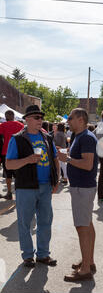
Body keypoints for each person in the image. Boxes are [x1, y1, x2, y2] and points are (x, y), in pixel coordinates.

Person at [6, 105, 59, 267]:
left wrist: (56, 179)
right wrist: (27, 160)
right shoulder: (17, 138)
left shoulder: (47, 138)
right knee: (24, 222)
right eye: (36, 117)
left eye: (41, 117)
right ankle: (28, 255)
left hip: (45, 186)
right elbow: (9, 165)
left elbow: (54, 159)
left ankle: (43, 254)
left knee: (45, 221)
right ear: (27, 119)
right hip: (26, 187)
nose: (40, 120)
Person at [58, 108, 98, 282]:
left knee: (82, 227)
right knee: (87, 224)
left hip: (83, 187)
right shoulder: (81, 136)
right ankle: (88, 261)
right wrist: (67, 155)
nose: (68, 121)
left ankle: (85, 270)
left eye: (71, 118)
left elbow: (88, 164)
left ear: (81, 119)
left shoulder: (87, 137)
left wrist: (66, 159)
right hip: (82, 187)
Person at [0, 110, 24, 200]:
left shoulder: (2, 126)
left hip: (5, 153)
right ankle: (19, 193)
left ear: (5, 117)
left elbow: (0, 141)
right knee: (18, 174)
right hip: (19, 153)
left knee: (8, 174)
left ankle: (9, 192)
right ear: (13, 116)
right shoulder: (21, 125)